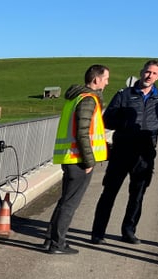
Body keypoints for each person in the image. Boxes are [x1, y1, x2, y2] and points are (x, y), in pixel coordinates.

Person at [91, 60, 158, 244]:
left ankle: (128, 231)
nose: (149, 76)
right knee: (109, 193)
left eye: (154, 73)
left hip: (145, 153)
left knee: (137, 195)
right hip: (122, 150)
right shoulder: (124, 94)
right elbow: (108, 119)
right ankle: (98, 232)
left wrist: (156, 127)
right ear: (141, 72)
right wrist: (126, 124)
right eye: (147, 72)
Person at [44, 64, 111, 255]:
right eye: (106, 78)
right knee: (70, 204)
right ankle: (58, 244)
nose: (107, 82)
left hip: (70, 157)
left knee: (65, 200)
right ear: (96, 79)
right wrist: (89, 162)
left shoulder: (75, 98)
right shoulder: (88, 99)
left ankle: (50, 239)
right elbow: (83, 133)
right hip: (79, 160)